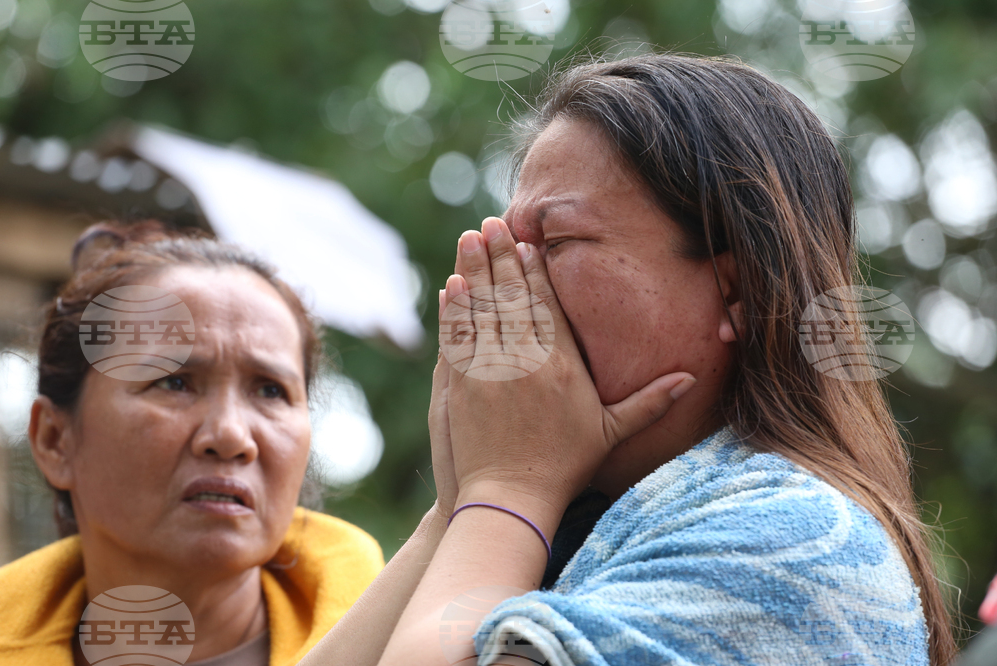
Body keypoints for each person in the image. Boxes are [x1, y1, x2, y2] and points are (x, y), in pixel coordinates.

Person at [300, 53, 956, 665]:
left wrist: (506, 489)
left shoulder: (793, 544)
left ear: (736, 291)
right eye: (506, 247)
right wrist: (455, 513)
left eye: (554, 242)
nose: (502, 289)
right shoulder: (569, 527)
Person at [0, 221, 384, 665]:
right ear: (55, 440)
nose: (231, 436)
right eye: (174, 382)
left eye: (270, 390)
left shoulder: (413, 648)